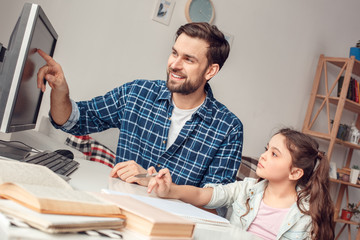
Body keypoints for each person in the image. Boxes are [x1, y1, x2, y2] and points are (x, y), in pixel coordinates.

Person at [36, 22, 243, 187]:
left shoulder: (228, 128)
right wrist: (61, 91)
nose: (174, 65)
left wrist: (149, 180)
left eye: (188, 60)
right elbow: (74, 120)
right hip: (116, 210)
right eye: (174, 53)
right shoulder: (137, 93)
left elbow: (215, 204)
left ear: (210, 71)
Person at [147, 128, 335, 240]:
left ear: (295, 172)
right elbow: (203, 195)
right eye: (266, 149)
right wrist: (170, 190)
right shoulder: (247, 189)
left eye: (274, 154)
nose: (263, 155)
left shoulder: (307, 214)